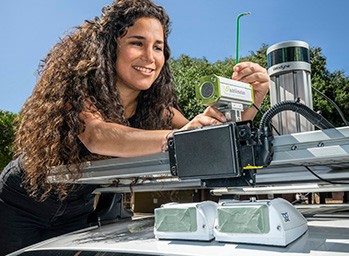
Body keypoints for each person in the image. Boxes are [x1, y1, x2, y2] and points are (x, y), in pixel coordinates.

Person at [0, 0, 270, 254]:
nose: (150, 57)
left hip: (76, 208)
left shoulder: (158, 109)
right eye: (137, 43)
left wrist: (250, 105)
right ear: (110, 47)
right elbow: (96, 136)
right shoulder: (80, 88)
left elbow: (202, 139)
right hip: (22, 199)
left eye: (157, 47)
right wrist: (180, 136)